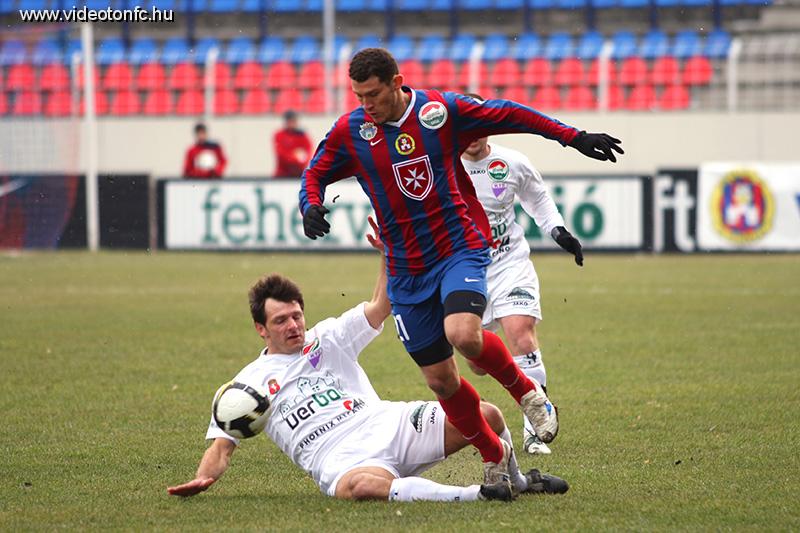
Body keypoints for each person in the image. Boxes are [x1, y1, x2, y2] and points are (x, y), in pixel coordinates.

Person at [298, 47, 623, 485]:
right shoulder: (352, 130)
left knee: (463, 334)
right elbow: (314, 172)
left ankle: (528, 393)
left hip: (457, 247)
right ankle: (494, 455)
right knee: (440, 381)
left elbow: (510, 114)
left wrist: (572, 136)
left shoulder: (439, 112)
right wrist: (310, 204)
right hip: (405, 269)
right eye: (359, 96)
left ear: (397, 83)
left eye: (373, 94)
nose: (366, 105)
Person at [166, 219, 568, 502]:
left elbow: (380, 305)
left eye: (296, 315)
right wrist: (202, 478)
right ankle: (477, 495)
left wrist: (389, 254)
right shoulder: (248, 385)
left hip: (386, 423)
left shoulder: (327, 337)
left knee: (488, 416)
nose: (293, 325)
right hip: (338, 457)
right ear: (260, 329)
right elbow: (222, 446)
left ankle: (518, 480)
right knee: (358, 487)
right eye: (280, 320)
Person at [460, 96, 584, 455]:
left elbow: (538, 199)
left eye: (480, 126)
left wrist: (558, 231)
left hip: (509, 263)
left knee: (522, 334)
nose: (473, 135)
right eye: (466, 127)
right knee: (475, 360)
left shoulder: (512, 162)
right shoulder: (441, 166)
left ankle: (535, 430)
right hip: (465, 270)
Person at [273, 110, 313, 178]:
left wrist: (300, 161)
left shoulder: (303, 136)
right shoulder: (279, 135)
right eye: (290, 121)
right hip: (282, 175)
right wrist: (296, 158)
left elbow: (308, 153)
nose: (292, 123)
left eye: (294, 121)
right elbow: (281, 154)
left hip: (300, 174)